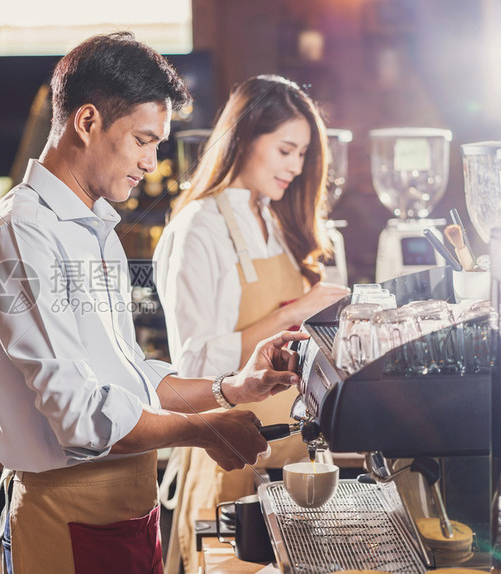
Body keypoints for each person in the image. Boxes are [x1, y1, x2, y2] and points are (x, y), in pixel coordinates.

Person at [0, 36, 309, 574]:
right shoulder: (22, 236)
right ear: (86, 121)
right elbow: (81, 418)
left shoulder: (95, 226)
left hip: (126, 510)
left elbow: (129, 382)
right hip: (69, 516)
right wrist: (204, 429)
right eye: (142, 141)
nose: (153, 162)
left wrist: (230, 387)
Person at [152, 74, 350, 572]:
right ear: (244, 137)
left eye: (303, 155)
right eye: (286, 149)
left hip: (292, 454)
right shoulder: (198, 227)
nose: (296, 167)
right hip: (230, 457)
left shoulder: (278, 221)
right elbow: (192, 365)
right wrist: (291, 312)